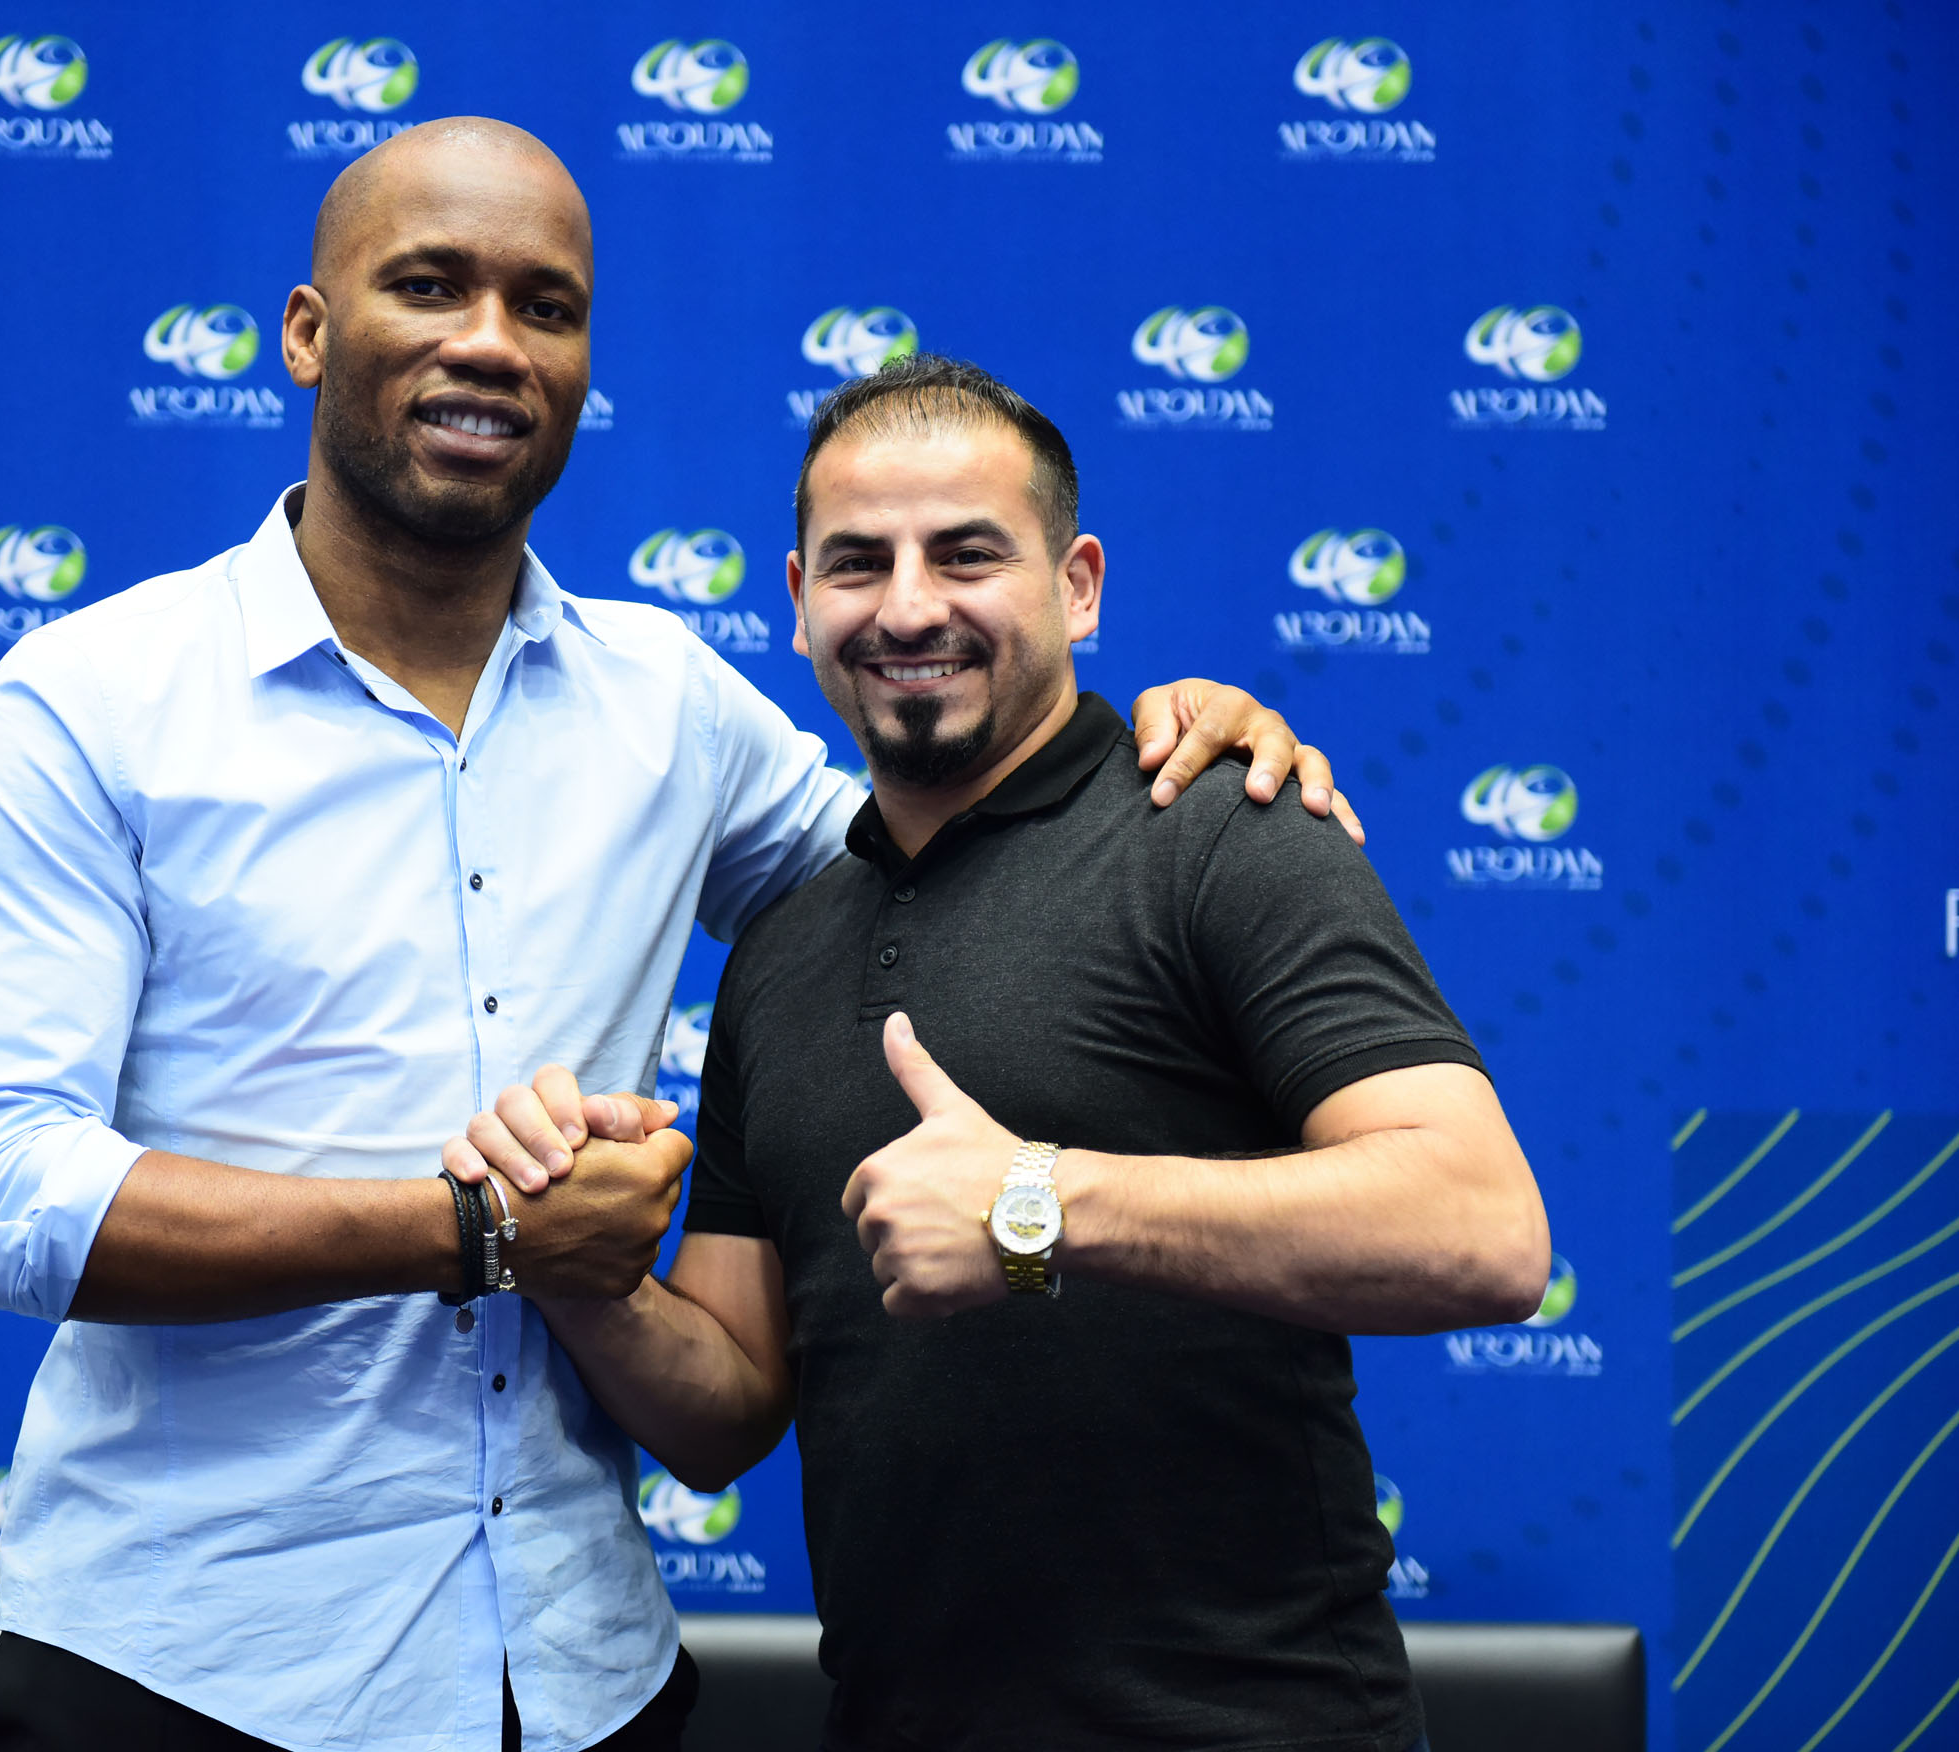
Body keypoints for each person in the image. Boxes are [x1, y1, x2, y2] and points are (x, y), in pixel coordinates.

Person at [0, 120, 1361, 1752]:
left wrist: (1165, 731)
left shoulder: (670, 708)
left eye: (545, 306)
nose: (490, 344)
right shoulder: (90, 704)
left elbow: (954, 852)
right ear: (307, 333)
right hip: (193, 1677)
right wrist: (467, 1236)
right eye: (429, 287)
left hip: (580, 1681)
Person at [464, 355, 1549, 1751]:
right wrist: (578, 1272)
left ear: (1076, 586)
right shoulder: (781, 948)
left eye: (967, 555)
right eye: (859, 563)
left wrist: (1037, 1206)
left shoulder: (1217, 831)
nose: (910, 606)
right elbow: (726, 1408)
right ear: (796, 601)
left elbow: (1483, 1230)